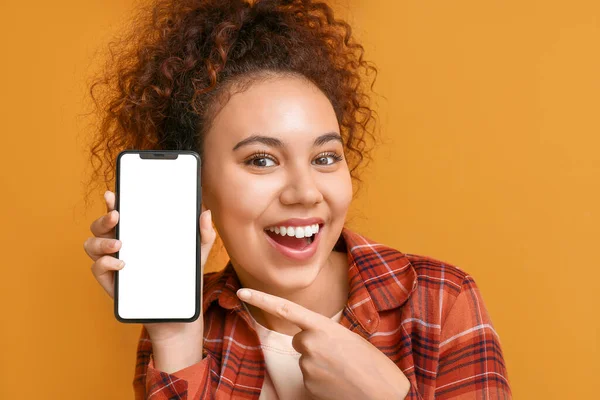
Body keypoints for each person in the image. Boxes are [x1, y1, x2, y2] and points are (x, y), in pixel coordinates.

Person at [83, 0, 512, 398]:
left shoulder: (440, 301)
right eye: (262, 160)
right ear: (198, 185)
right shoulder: (186, 323)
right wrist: (175, 338)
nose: (306, 193)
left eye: (325, 157)